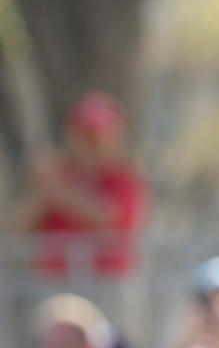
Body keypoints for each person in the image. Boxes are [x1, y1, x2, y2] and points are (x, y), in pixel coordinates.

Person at [15, 91, 148, 281]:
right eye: (84, 135)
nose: (91, 144)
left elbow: (109, 219)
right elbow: (16, 227)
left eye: (99, 137)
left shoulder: (126, 178)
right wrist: (41, 193)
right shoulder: (56, 174)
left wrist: (57, 191)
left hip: (107, 282)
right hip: (55, 281)